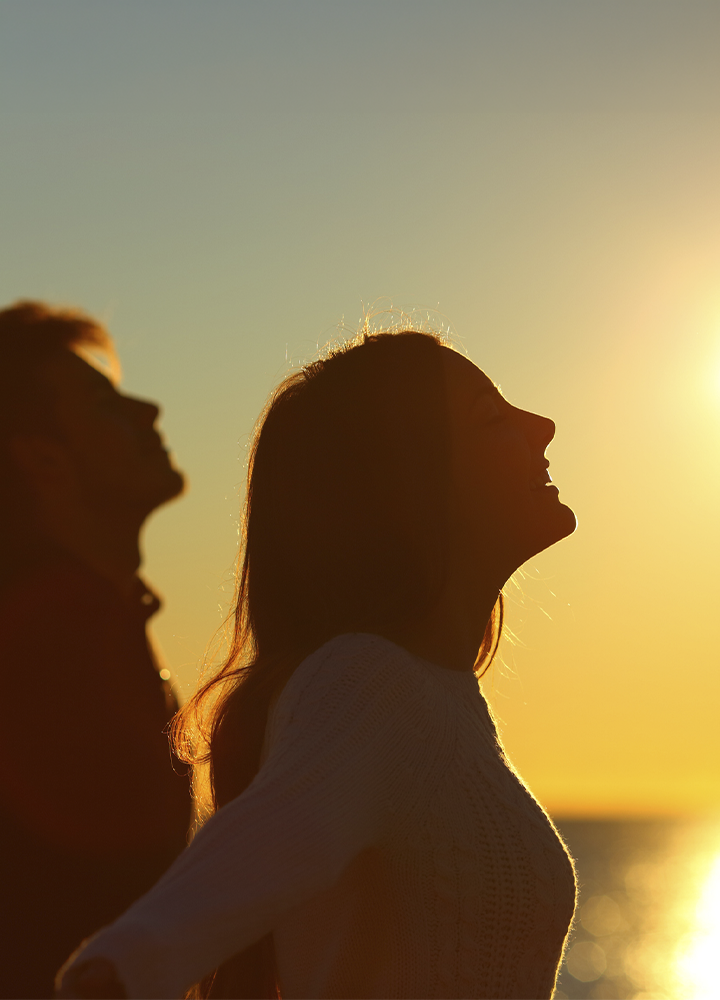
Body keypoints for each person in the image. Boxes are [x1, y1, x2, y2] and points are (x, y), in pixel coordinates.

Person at [56, 329, 578, 1000]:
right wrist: (115, 975)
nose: (542, 426)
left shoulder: (437, 700)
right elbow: (241, 867)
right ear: (409, 479)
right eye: (491, 419)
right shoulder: (369, 684)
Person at [0, 301, 192, 1000]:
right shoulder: (45, 649)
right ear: (42, 458)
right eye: (103, 403)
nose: (147, 410)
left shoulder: (95, 624)